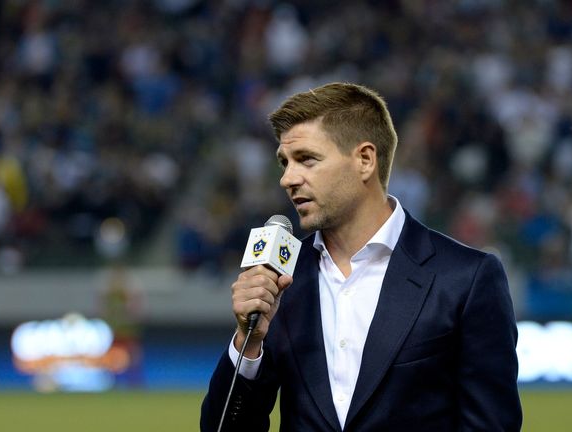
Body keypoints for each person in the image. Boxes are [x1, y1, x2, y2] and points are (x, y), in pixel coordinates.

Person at [200, 82, 522, 431]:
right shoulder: (282, 279)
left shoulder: (465, 278)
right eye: (284, 163)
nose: (288, 179)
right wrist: (248, 346)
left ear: (365, 160)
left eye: (306, 159)